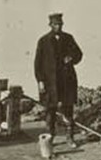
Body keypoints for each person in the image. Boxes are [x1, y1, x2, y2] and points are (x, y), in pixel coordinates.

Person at [34, 14, 83, 146]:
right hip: (50, 82)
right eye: (55, 24)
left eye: (60, 24)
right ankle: (50, 139)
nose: (58, 26)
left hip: (67, 80)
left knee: (68, 109)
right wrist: (40, 81)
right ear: (50, 25)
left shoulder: (68, 38)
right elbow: (37, 64)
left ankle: (70, 138)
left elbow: (79, 54)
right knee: (50, 111)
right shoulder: (43, 41)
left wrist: (71, 58)